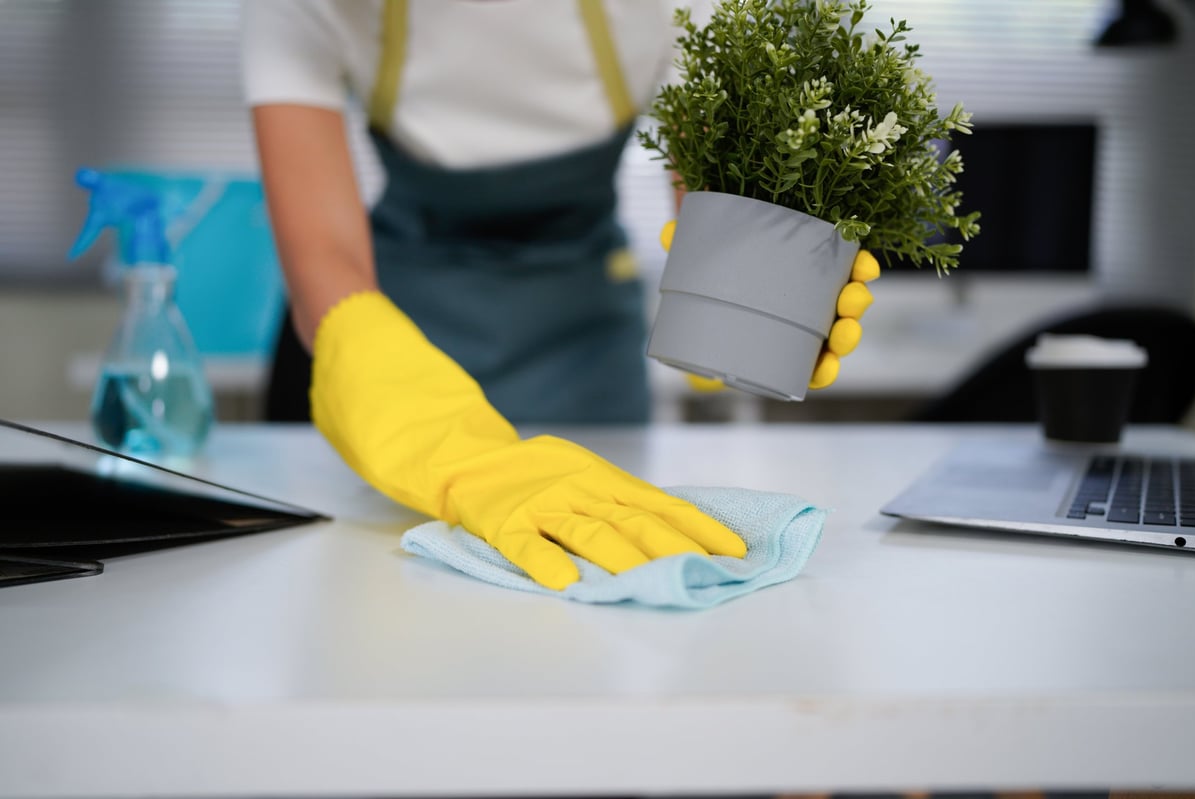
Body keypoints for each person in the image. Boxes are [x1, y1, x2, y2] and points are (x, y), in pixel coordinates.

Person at [240, 0, 875, 590]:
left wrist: (754, 303)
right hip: (391, 364)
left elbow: (715, 194)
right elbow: (325, 259)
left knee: (597, 582)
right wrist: (447, 453)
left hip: (584, 352)